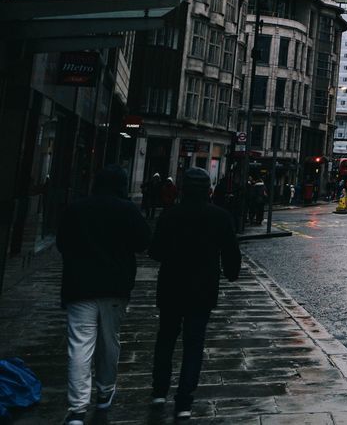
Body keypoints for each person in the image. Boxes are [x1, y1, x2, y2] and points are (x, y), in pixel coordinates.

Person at [56, 165, 151, 425]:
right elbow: (144, 242)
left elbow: (61, 243)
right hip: (114, 288)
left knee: (79, 345)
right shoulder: (127, 209)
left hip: (79, 287)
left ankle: (77, 409)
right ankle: (105, 394)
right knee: (110, 343)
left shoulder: (76, 208)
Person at [150, 168, 241, 419]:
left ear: (182, 189)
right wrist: (232, 273)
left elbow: (155, 251)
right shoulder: (220, 216)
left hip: (171, 287)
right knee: (193, 344)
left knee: (166, 339)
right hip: (202, 289)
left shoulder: (170, 215)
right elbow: (231, 252)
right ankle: (184, 403)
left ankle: (159, 392)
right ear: (208, 190)